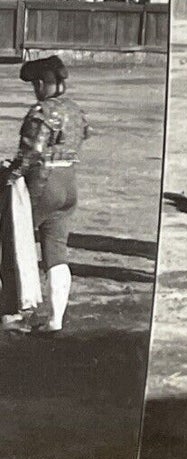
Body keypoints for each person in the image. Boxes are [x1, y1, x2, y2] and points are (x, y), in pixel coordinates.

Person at [0, 55, 90, 334]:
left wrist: (9, 174)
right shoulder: (75, 110)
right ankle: (55, 320)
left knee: (14, 242)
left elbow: (31, 152)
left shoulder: (41, 111)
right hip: (69, 184)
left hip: (43, 184)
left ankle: (15, 312)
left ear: (41, 83)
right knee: (56, 251)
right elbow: (86, 133)